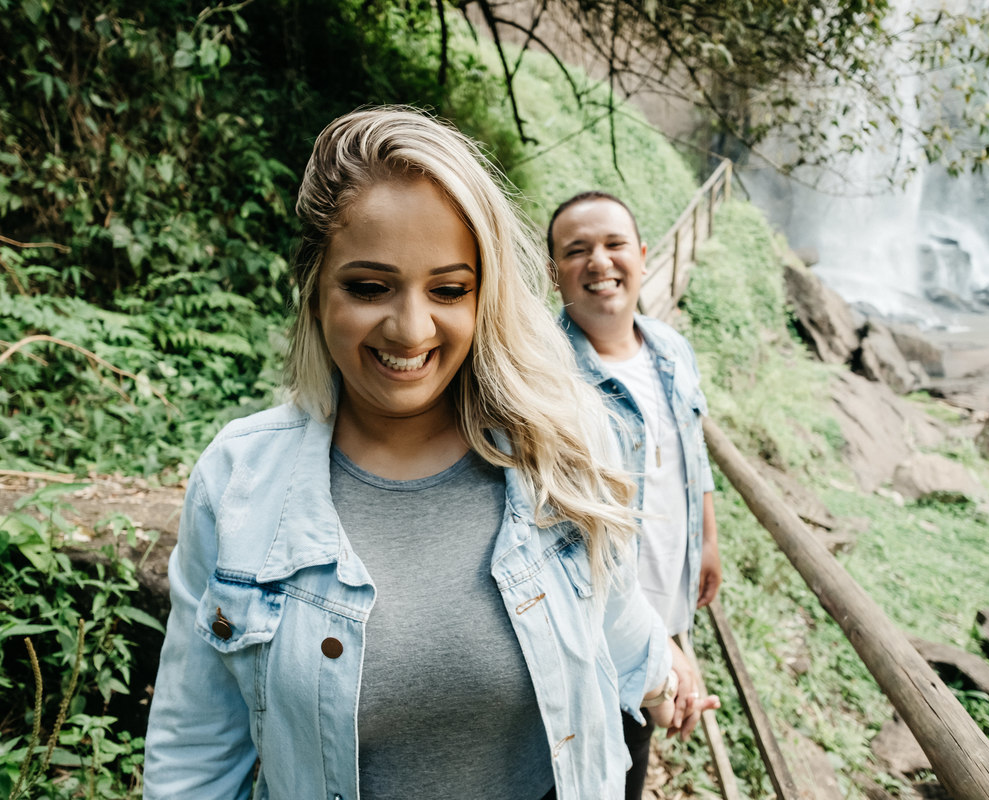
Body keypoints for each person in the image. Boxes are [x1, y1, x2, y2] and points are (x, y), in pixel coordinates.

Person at [143, 107, 688, 800]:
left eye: (449, 289)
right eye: (369, 287)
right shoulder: (239, 480)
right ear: (314, 289)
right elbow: (193, 750)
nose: (410, 328)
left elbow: (605, 602)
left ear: (484, 295)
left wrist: (662, 666)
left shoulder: (564, 440)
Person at [547, 191, 723, 800]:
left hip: (666, 606)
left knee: (631, 760)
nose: (600, 261)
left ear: (643, 257)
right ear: (553, 272)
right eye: (577, 250)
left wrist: (708, 538)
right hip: (588, 633)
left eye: (614, 244)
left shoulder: (672, 351)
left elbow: (689, 453)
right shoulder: (542, 374)